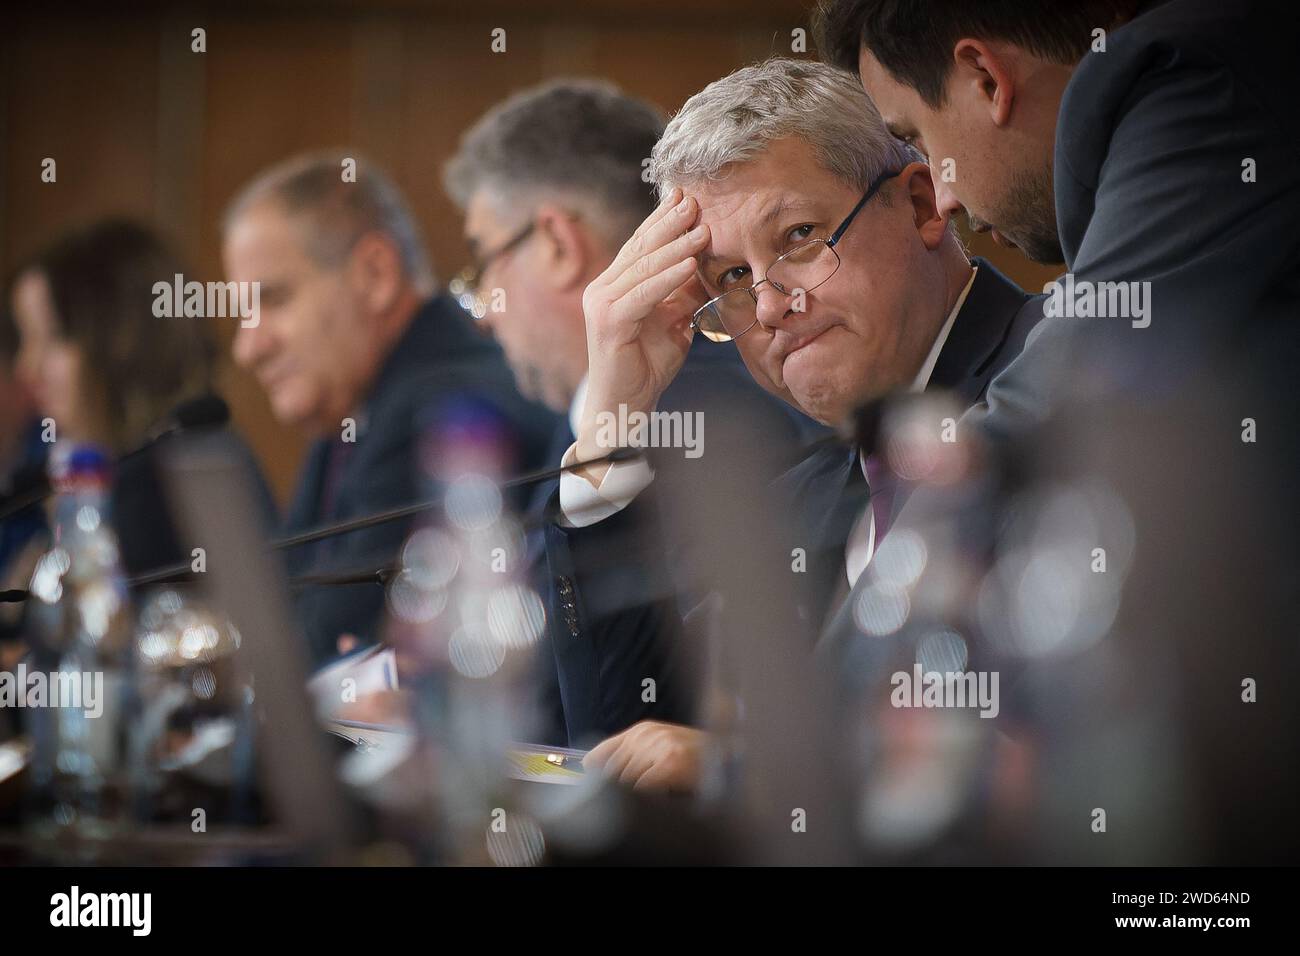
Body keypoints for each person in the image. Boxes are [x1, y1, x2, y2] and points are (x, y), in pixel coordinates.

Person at [571, 58, 1043, 790]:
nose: (766, 306)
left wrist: (738, 772)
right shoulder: (801, 493)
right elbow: (626, 746)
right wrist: (610, 422)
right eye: (730, 277)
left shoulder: (1058, 374)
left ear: (920, 205)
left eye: (796, 236)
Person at [444, 79, 816, 744]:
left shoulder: (715, 417)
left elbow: (621, 728)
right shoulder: (586, 423)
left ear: (556, 243)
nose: (480, 317)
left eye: (483, 264)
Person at [812, 0, 1300, 433]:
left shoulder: (1193, 77)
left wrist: (911, 522)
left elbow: (1071, 391)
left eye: (917, 137)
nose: (944, 200)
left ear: (985, 77)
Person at [222, 152, 558, 668]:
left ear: (375, 274)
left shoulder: (445, 405)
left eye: (273, 299)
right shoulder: (350, 411)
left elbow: (312, 658)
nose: (248, 348)